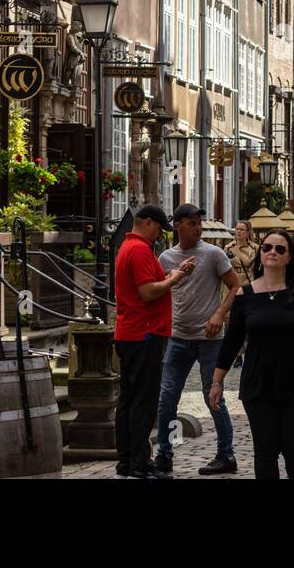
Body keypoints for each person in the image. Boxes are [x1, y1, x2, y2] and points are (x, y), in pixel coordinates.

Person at [212, 230, 294, 479]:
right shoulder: (243, 295)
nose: (272, 252)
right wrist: (217, 381)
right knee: (265, 452)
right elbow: (232, 342)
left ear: (289, 257)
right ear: (260, 253)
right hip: (258, 384)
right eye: (267, 247)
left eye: (280, 249)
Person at [154, 204, 243, 476]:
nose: (198, 227)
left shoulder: (213, 254)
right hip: (178, 337)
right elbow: (158, 293)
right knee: (167, 398)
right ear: (177, 225)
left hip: (210, 339)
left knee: (212, 397)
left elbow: (235, 286)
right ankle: (164, 455)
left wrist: (218, 314)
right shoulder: (166, 258)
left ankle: (226, 454)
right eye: (192, 223)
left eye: (199, 223)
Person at [114, 204, 194, 479]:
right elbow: (148, 292)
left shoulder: (129, 247)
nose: (160, 235)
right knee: (143, 402)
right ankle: (139, 463)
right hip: (144, 333)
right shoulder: (138, 250)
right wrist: (174, 278)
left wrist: (172, 275)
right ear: (147, 223)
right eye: (159, 228)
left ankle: (125, 462)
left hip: (130, 332)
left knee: (127, 400)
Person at [227, 220, 258, 285]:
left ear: (248, 232)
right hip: (233, 281)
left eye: (242, 229)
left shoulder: (255, 248)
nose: (238, 231)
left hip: (249, 281)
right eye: (237, 229)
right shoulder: (228, 247)